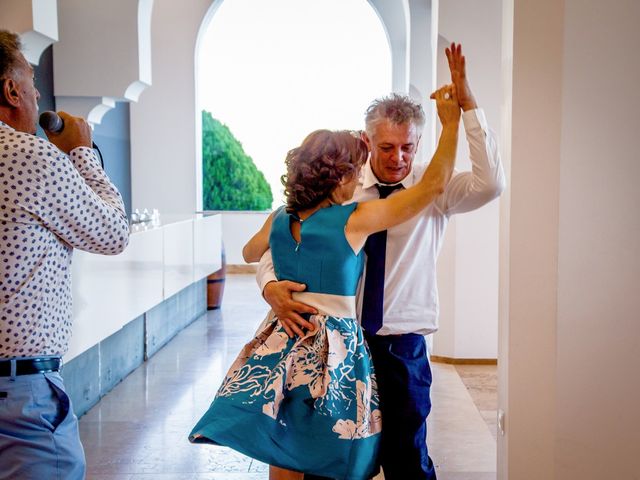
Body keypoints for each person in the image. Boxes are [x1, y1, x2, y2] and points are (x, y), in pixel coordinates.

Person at [256, 43, 506, 480]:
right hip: (335, 345)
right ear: (367, 140)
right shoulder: (341, 188)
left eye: (408, 147)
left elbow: (491, 184)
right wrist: (269, 285)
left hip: (401, 343)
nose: (398, 159)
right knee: (332, 459)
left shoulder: (436, 186)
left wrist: (468, 107)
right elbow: (282, 239)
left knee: (407, 457)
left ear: (420, 142)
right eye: (387, 147)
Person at [189, 82, 461, 480]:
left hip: (285, 341)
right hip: (334, 351)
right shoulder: (352, 222)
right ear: (340, 179)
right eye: (355, 171)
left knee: (291, 443)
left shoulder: (281, 216)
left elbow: (250, 252)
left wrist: (272, 280)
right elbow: (433, 185)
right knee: (341, 451)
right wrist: (452, 125)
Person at [0, 30, 130, 479]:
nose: (38, 92)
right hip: (17, 396)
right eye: (30, 79)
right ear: (11, 90)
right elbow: (113, 233)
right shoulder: (27, 155)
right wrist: (80, 151)